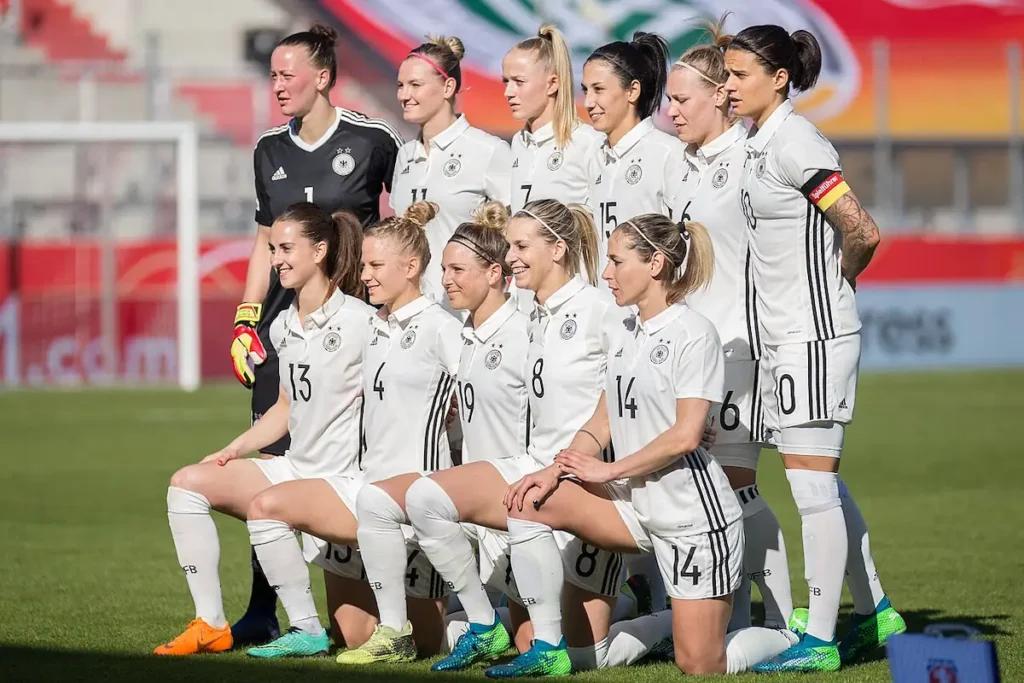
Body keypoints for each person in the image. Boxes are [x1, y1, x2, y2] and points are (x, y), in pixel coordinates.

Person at [495, 213, 798, 676]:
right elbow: (602, 421)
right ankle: (549, 647)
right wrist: (554, 470)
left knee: (701, 664)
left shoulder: (694, 332)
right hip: (633, 506)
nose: (606, 273)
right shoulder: (624, 331)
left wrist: (609, 471)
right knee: (528, 502)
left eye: (617, 262)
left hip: (691, 517)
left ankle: (785, 635)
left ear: (655, 263)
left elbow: (687, 435)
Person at [723, 24, 905, 672]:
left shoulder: (796, 140)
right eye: (726, 73)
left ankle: (820, 639)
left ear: (779, 78)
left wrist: (840, 279)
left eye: (739, 74)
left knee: (811, 488)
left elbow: (862, 228)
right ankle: (875, 611)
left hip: (811, 336)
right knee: (817, 479)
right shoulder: (757, 140)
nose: (728, 85)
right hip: (784, 337)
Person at [229, 23, 402, 645]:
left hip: (354, 334)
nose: (277, 85)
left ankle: (382, 607)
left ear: (323, 77)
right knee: (272, 464)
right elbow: (263, 240)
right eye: (273, 75)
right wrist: (247, 317)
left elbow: (402, 230)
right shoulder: (268, 150)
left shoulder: (374, 140)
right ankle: (263, 609)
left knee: (357, 461)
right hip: (286, 334)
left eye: (287, 74)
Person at [155, 203, 372, 656]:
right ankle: (211, 623)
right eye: (273, 249)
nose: (276, 260)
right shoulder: (283, 325)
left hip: (344, 483)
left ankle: (308, 631)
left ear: (320, 251)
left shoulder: (362, 322)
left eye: (286, 249)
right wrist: (233, 449)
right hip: (296, 468)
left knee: (357, 636)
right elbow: (286, 407)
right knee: (187, 483)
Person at [665, 26, 794, 633]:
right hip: (694, 351)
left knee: (737, 486)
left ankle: (788, 619)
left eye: (682, 99)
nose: (672, 110)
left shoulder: (749, 159)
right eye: (668, 99)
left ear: (719, 95)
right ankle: (739, 618)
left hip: (739, 347)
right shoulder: (683, 167)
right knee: (709, 491)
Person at [335, 202, 465, 664]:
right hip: (367, 485)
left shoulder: (442, 327)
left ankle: (478, 623)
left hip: (419, 494)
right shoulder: (373, 325)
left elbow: (479, 393)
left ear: (410, 267)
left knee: (431, 642)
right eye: (363, 265)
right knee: (353, 634)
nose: (365, 275)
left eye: (375, 266)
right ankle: (307, 626)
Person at [389, 34, 513, 308]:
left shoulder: (489, 150)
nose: (404, 95)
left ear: (448, 87)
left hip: (462, 314)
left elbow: (515, 238)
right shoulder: (405, 155)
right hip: (409, 313)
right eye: (400, 85)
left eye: (415, 85)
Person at [582, 32, 688, 271]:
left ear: (632, 91)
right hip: (601, 293)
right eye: (585, 90)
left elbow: (684, 244)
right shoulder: (593, 155)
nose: (588, 102)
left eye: (598, 89)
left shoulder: (669, 154)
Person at [505, 25, 604, 212]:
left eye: (519, 82)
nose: (508, 92)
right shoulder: (519, 142)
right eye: (506, 82)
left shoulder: (589, 142)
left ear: (552, 84)